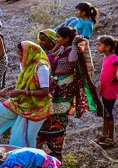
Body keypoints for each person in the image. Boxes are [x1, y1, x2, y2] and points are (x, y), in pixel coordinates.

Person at [37, 27, 100, 158]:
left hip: (65, 89)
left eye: (58, 37)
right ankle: (46, 146)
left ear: (66, 39)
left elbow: (72, 60)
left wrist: (74, 44)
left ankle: (57, 152)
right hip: (56, 87)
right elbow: (48, 57)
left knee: (58, 117)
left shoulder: (72, 50)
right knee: (49, 116)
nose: (56, 39)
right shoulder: (62, 49)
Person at [0, 41, 51, 148]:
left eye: (21, 54)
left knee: (25, 137)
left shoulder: (41, 68)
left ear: (29, 53)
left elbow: (45, 91)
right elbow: (23, 83)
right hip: (21, 102)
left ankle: (25, 160)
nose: (18, 56)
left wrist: (21, 92)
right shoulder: (25, 64)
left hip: (36, 107)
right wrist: (9, 90)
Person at [96, 36, 118, 147]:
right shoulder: (107, 57)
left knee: (108, 112)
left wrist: (117, 77)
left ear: (107, 47)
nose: (97, 47)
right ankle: (105, 135)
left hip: (111, 89)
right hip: (106, 89)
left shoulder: (113, 57)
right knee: (106, 112)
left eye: (99, 45)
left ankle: (111, 138)